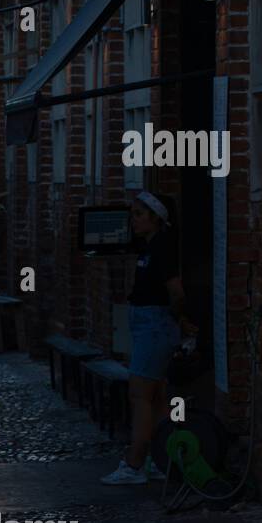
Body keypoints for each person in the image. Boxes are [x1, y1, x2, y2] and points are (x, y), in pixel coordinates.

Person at [101, 191, 196, 485]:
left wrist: (181, 319)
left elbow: (176, 292)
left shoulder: (162, 248)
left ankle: (134, 464)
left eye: (139, 215)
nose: (134, 220)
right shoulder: (151, 246)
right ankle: (160, 457)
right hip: (149, 322)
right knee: (154, 396)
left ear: (156, 219)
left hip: (155, 324)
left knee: (140, 395)